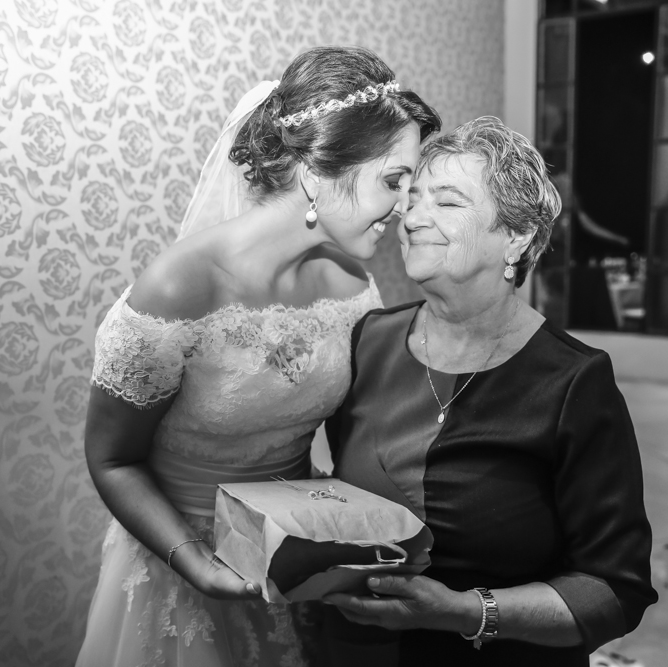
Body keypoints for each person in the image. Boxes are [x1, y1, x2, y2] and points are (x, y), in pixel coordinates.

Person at [74, 46, 441, 667]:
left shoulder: (353, 287)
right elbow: (112, 458)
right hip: (181, 566)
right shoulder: (177, 290)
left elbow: (354, 439)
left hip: (294, 562)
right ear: (316, 172)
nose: (406, 206)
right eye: (393, 180)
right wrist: (194, 562)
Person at [322, 117, 657, 666]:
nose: (413, 218)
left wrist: (462, 612)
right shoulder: (369, 340)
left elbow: (615, 590)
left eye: (447, 202)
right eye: (413, 198)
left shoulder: (573, 381)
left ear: (517, 236)